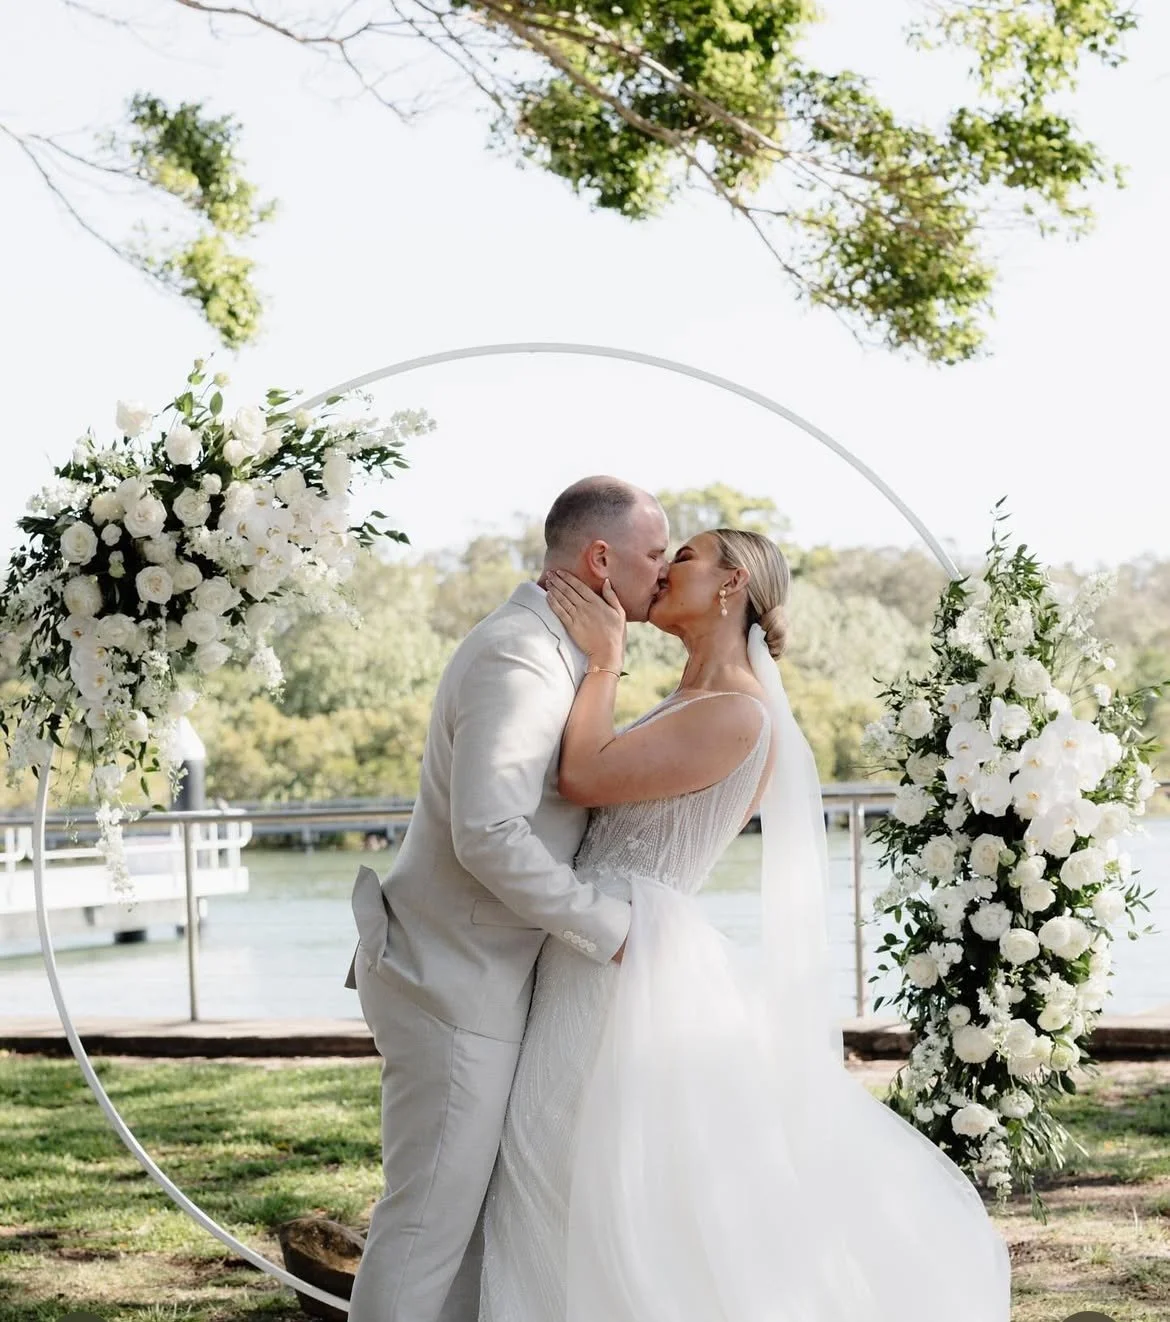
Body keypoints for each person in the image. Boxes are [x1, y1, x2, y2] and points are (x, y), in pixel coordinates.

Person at [478, 528, 1012, 1322]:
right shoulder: (697, 698)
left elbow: (582, 774)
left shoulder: (734, 713)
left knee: (565, 1154)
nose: (660, 571)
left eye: (682, 558)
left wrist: (602, 661)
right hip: (596, 939)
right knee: (555, 1159)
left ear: (732, 584)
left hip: (622, 950)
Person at [344, 476, 670, 1322]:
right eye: (653, 552)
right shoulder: (521, 655)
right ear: (601, 559)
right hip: (450, 979)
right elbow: (487, 832)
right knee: (425, 1226)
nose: (662, 570)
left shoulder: (560, 648)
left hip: (480, 971)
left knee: (469, 1231)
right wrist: (607, 928)